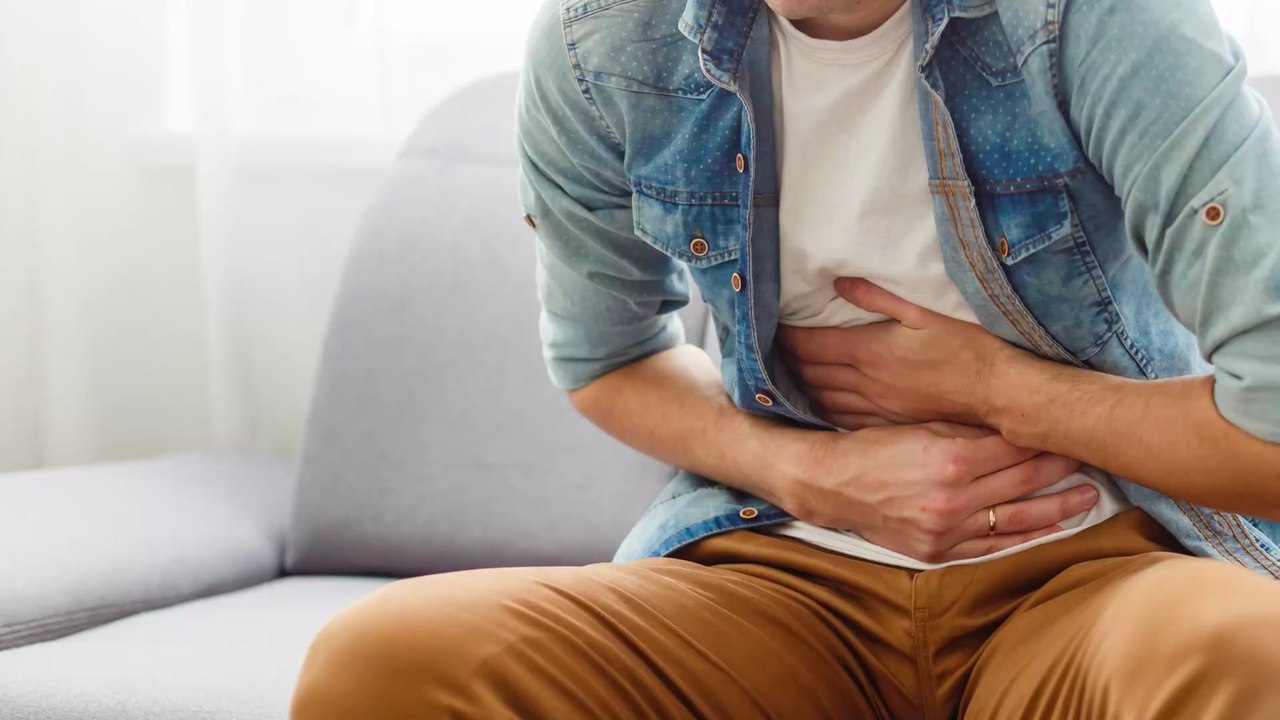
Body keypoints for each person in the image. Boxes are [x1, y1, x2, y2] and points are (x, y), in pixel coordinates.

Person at [290, 0, 1280, 717]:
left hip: (1094, 576)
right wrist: (813, 472)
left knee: (1252, 653)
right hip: (779, 577)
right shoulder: (603, 44)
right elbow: (604, 360)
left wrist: (1001, 390)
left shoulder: (1101, 26)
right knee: (382, 659)